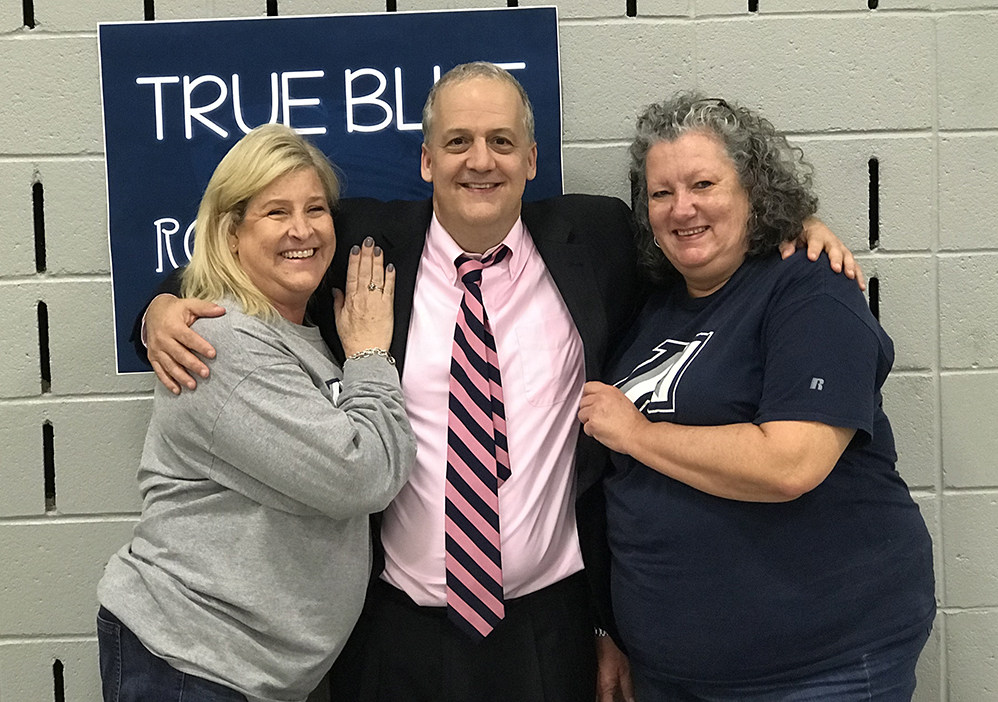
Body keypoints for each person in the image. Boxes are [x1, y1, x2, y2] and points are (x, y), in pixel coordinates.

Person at [140, 65, 861, 702]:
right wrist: (158, 311)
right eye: (457, 142)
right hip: (394, 632)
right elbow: (242, 265)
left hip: (552, 626)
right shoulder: (363, 241)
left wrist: (798, 224)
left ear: (532, 158)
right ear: (426, 160)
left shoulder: (597, 237)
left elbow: (704, 239)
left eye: (501, 141)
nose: (479, 161)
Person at [578, 93, 935, 701]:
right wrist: (612, 626)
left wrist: (635, 432)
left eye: (704, 184)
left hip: (820, 669)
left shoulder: (810, 293)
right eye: (661, 193)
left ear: (754, 192)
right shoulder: (653, 307)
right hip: (672, 672)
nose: (681, 208)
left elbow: (790, 463)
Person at [97, 124, 416, 702]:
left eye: (315, 208)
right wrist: (370, 353)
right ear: (232, 233)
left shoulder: (299, 331)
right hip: (193, 664)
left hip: (248, 671)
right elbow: (362, 474)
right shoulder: (225, 347)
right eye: (275, 212)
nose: (302, 229)